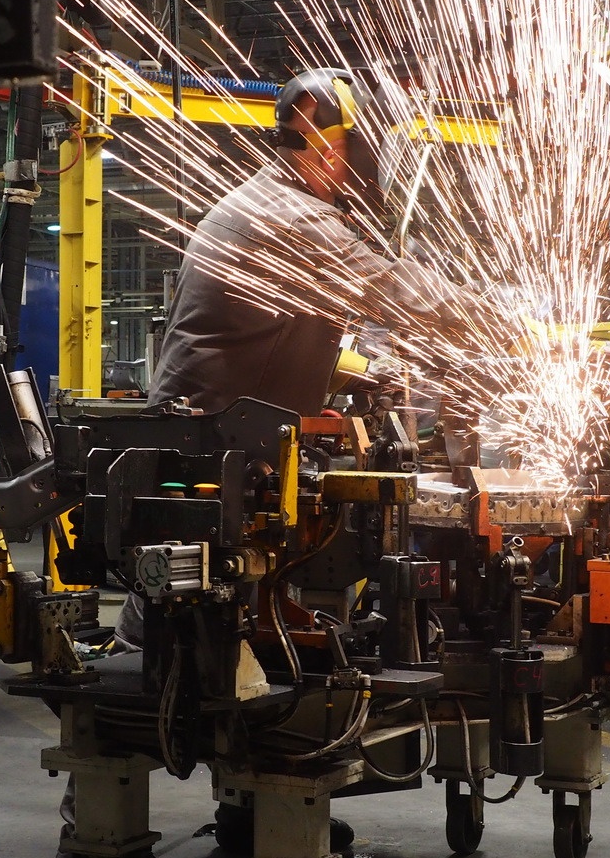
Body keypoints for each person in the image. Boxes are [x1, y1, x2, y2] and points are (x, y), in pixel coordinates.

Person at [61, 67, 460, 858]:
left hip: (229, 448)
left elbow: (279, 326)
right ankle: (98, 796)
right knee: (168, 635)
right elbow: (406, 293)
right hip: (202, 460)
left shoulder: (285, 203)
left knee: (236, 627)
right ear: (322, 137)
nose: (361, 167)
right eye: (354, 147)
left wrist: (353, 374)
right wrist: (523, 321)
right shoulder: (289, 215)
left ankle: (248, 798)